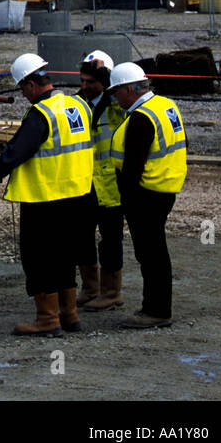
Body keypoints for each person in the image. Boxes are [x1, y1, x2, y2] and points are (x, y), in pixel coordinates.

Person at [0, 53, 94, 336]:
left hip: (44, 198)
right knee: (65, 257)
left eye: (22, 88)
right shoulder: (78, 106)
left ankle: (47, 319)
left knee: (39, 259)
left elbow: (16, 153)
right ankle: (69, 315)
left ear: (29, 84)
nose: (24, 95)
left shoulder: (41, 115)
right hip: (78, 195)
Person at [107, 62, 187, 329]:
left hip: (146, 194)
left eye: (116, 91)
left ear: (130, 89)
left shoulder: (141, 118)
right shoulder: (165, 106)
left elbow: (132, 168)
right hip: (165, 187)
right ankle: (157, 307)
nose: (115, 97)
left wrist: (125, 201)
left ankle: (156, 310)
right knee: (156, 251)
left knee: (151, 253)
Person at [75, 51, 128, 310]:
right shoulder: (76, 105)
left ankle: (111, 292)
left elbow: (130, 98)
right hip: (83, 184)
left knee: (110, 239)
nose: (85, 86)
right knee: (82, 236)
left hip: (110, 186)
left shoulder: (117, 106)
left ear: (105, 82)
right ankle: (90, 288)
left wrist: (109, 80)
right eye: (82, 81)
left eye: (91, 82)